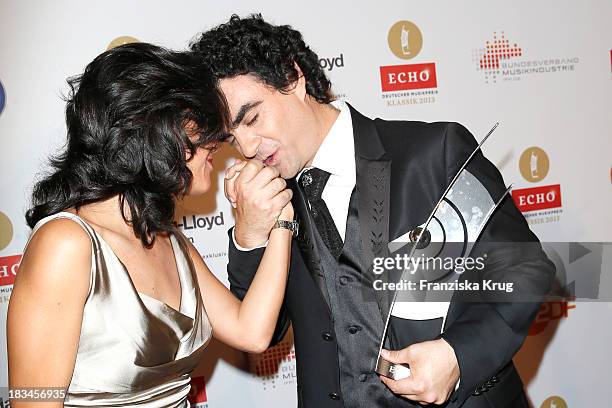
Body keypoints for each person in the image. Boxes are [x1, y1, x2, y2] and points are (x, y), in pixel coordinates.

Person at [190, 15, 555, 408]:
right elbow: (268, 330)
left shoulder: (433, 153)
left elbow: (526, 269)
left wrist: (456, 356)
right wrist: (249, 236)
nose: (246, 147)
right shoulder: (272, 197)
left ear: (292, 78)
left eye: (253, 118)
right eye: (232, 137)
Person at [6, 43, 294, 408]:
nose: (218, 138)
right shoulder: (66, 244)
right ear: (151, 128)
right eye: (193, 117)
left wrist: (281, 218)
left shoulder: (168, 238)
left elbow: (252, 332)